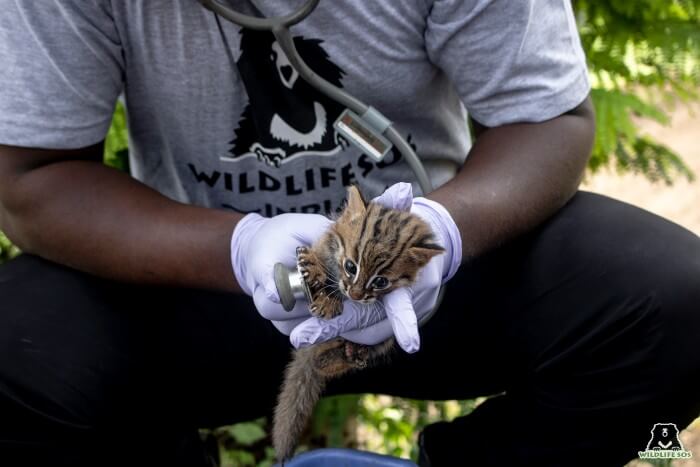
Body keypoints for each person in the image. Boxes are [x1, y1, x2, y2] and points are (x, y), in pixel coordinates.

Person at [0, 1, 698, 466]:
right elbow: (32, 182)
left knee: (675, 301)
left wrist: (441, 232)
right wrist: (239, 249)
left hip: (433, 279)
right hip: (208, 277)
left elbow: (548, 119)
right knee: (15, 346)